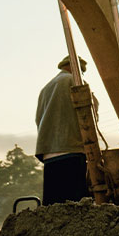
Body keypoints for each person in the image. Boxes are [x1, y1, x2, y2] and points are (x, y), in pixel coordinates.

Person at [34, 55, 94, 204]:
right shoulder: (76, 82)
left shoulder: (46, 88)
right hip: (72, 150)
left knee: (54, 208)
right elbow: (90, 113)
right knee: (76, 207)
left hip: (49, 154)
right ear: (77, 69)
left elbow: (38, 119)